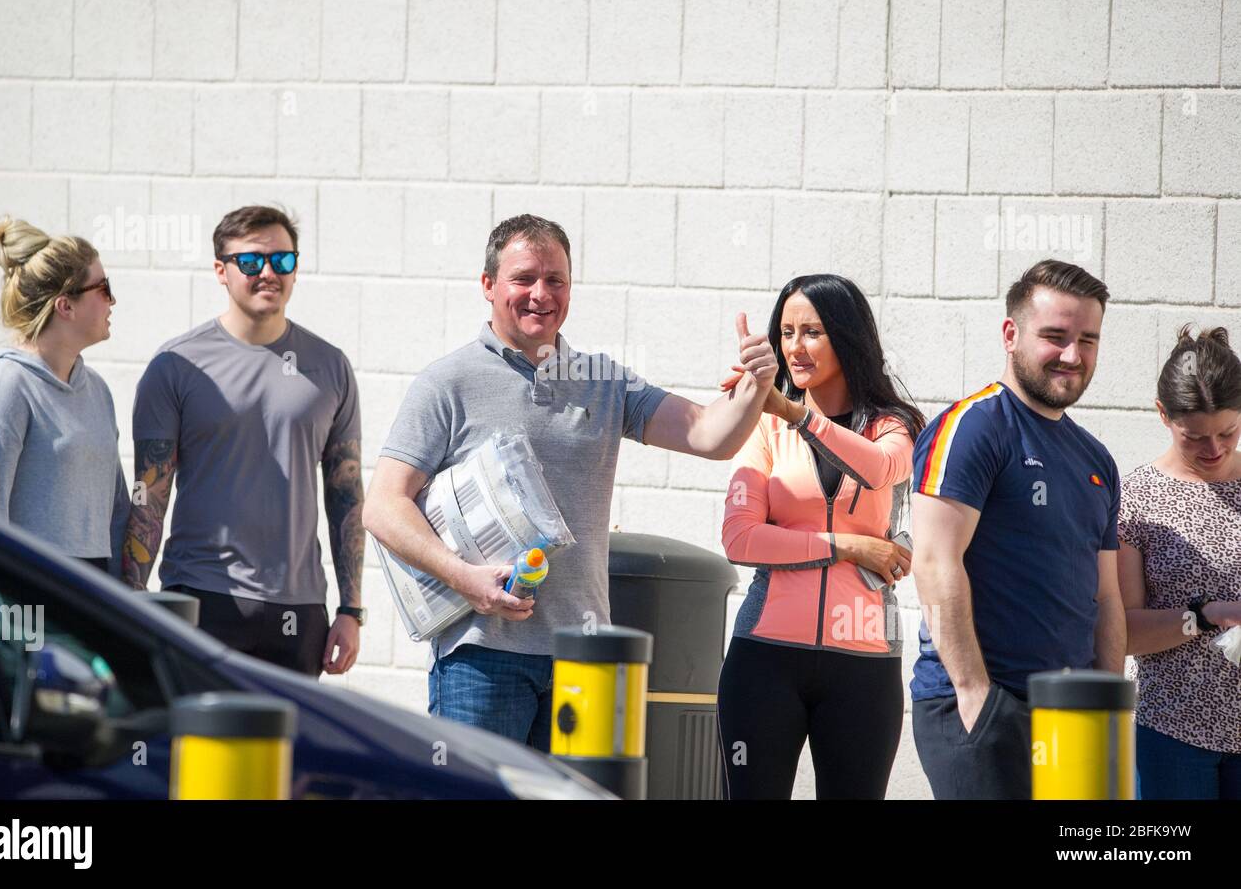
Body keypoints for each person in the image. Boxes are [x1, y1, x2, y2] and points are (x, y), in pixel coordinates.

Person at [363, 213, 778, 750]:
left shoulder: (603, 380)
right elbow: (383, 506)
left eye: (555, 280)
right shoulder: (447, 382)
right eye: (524, 278)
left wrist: (756, 385)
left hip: (585, 658)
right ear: (488, 285)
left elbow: (708, 436)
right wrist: (466, 578)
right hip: (480, 658)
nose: (541, 294)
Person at [909, 259, 1126, 799]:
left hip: (1072, 713)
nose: (1073, 356)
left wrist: (1108, 701)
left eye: (1088, 340)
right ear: (1011, 334)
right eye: (1055, 336)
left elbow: (1106, 595)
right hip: (985, 704)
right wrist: (974, 695)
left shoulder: (1095, 457)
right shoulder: (974, 427)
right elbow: (935, 562)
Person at [122, 206, 364, 678]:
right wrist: (132, 596)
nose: (269, 273)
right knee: (195, 750)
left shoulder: (330, 365)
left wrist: (351, 611)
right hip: (202, 598)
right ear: (221, 270)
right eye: (251, 262)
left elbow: (347, 495)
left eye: (283, 261)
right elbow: (149, 493)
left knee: (289, 753)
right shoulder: (177, 365)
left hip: (300, 609)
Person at [716, 274, 924, 799]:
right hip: (764, 657)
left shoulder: (892, 426)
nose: (794, 347)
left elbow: (880, 470)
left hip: (864, 662)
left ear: (846, 336)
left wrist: (798, 414)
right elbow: (742, 541)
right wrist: (846, 546)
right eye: (786, 332)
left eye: (811, 332)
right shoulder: (764, 426)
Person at [0, 217, 129, 575]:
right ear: (65, 306)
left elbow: (117, 511)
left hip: (91, 605)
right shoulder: (2, 387)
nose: (113, 300)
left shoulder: (97, 390)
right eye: (103, 288)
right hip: (25, 601)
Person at [1117, 325, 1241, 799]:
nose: (1213, 449)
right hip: (1172, 733)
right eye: (1195, 437)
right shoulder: (1135, 499)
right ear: (1162, 414)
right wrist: (1207, 614)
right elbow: (1125, 631)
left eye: (1227, 432)